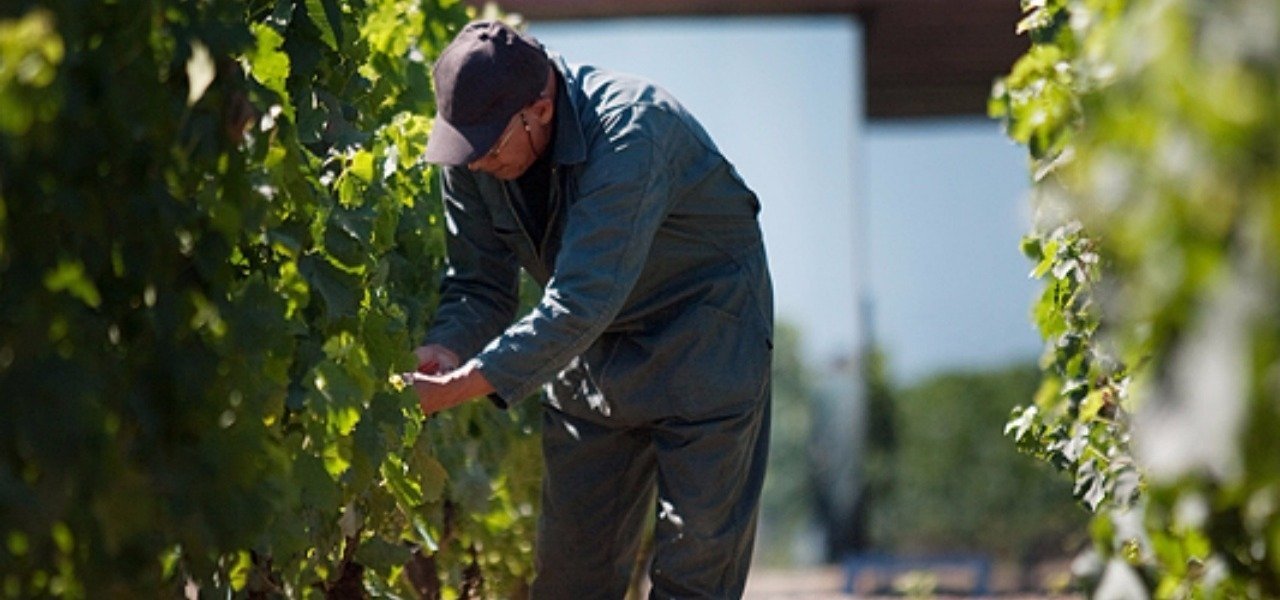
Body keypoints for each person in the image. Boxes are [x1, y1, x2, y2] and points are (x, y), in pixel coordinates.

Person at [409, 19, 773, 599]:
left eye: (486, 146)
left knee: (695, 572)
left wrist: (459, 389)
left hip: (705, 335)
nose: (473, 163)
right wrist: (445, 349)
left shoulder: (632, 129)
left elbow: (581, 298)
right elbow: (478, 286)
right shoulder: (472, 151)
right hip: (590, 346)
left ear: (541, 110)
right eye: (462, 146)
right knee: (572, 578)